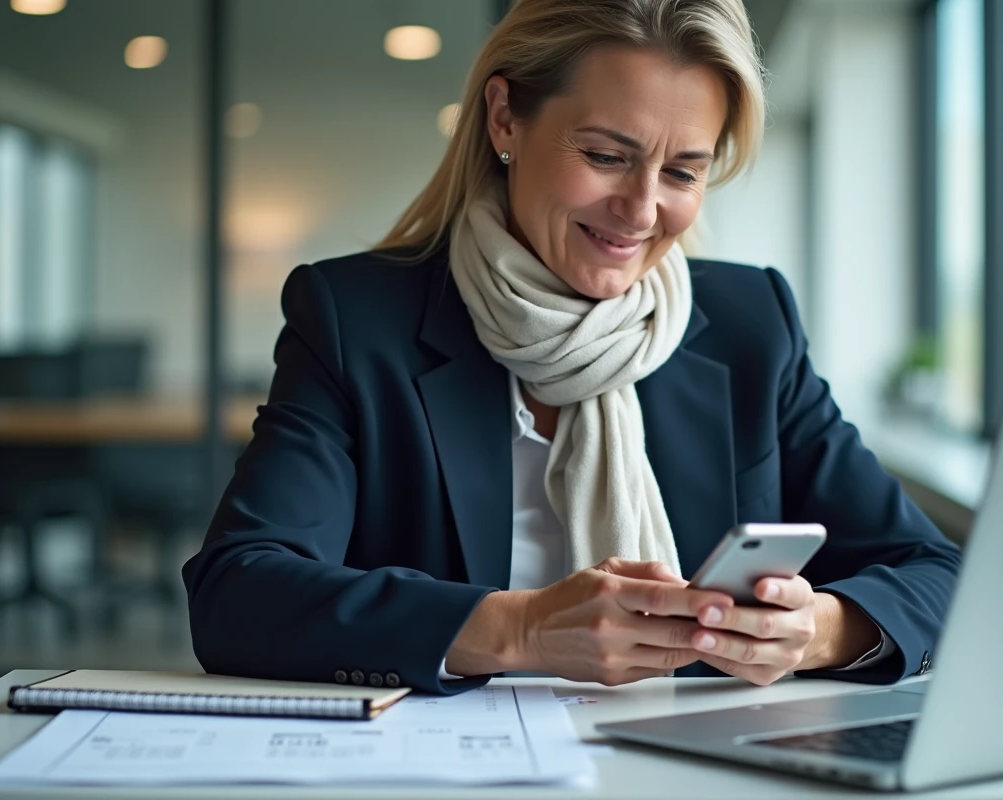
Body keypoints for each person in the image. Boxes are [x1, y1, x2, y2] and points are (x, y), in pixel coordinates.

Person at [182, 0, 960, 695]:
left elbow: (941, 573)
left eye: (683, 171)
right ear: (505, 120)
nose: (641, 209)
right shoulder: (357, 318)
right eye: (606, 156)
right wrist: (520, 629)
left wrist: (818, 632)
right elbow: (238, 593)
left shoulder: (753, 322)